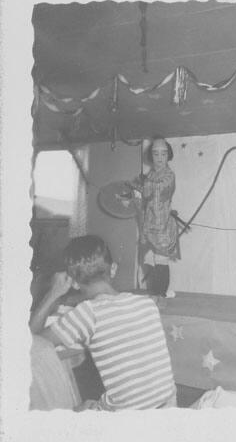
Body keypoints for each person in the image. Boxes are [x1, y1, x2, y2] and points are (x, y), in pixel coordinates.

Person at [30, 235, 177, 411]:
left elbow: (32, 342)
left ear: (74, 283)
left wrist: (53, 293)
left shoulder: (87, 313)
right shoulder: (147, 303)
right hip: (169, 405)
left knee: (76, 409)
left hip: (127, 417)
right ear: (113, 269)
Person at [133, 137, 179, 297]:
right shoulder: (151, 174)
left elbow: (157, 190)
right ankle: (157, 292)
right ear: (151, 156)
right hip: (149, 224)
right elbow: (145, 194)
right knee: (148, 259)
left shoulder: (169, 175)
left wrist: (142, 187)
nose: (159, 158)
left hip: (163, 224)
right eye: (156, 154)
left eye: (163, 154)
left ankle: (160, 294)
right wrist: (134, 193)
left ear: (168, 155)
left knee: (161, 260)